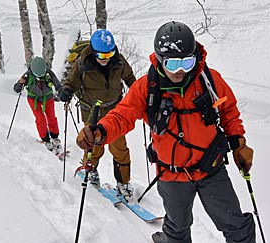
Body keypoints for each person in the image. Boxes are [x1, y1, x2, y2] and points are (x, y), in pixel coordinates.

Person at [76, 21, 255, 243]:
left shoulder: (210, 80)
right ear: (160, 60)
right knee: (177, 231)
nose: (180, 71)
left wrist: (239, 144)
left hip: (212, 168)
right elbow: (122, 116)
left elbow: (228, 111)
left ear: (195, 58)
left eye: (187, 62)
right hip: (173, 175)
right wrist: (101, 132)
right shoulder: (147, 87)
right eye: (172, 64)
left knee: (236, 227)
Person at [58, 29, 137, 200]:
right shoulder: (82, 63)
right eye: (101, 55)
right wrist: (66, 90)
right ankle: (91, 171)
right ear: (94, 52)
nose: (106, 58)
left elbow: (130, 78)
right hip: (91, 111)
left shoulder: (119, 62)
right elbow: (72, 81)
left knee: (120, 148)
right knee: (93, 146)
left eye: (109, 53)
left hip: (115, 112)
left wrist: (140, 92)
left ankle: (123, 182)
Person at [14, 56, 63, 154]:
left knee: (51, 117)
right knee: (40, 119)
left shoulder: (48, 72)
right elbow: (16, 89)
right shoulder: (27, 75)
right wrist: (20, 83)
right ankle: (45, 139)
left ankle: (55, 137)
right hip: (33, 99)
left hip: (48, 97)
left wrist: (63, 92)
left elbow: (57, 84)